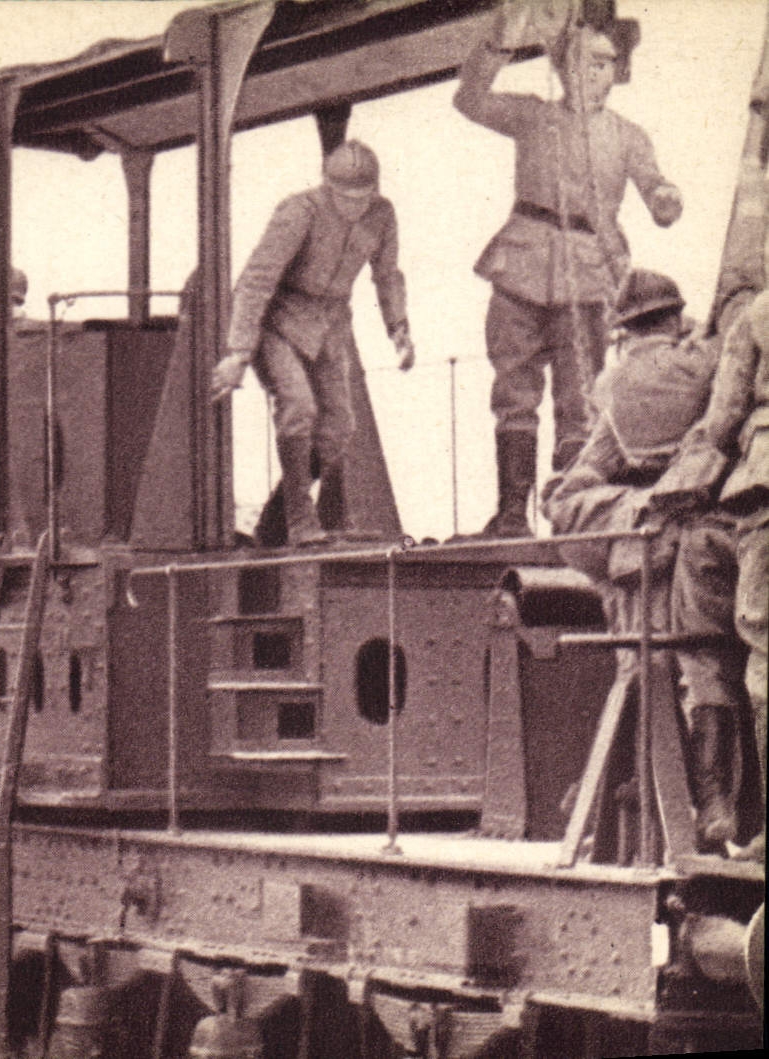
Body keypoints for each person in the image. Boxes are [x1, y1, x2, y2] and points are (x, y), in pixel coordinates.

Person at [456, 8, 683, 536]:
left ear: (616, 72)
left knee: (579, 400)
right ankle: (512, 514)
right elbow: (469, 100)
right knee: (513, 391)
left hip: (587, 274)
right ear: (561, 68)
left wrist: (665, 199)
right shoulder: (532, 116)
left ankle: (572, 519)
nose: (594, 74)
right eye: (583, 63)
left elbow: (655, 186)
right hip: (521, 266)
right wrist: (501, 42)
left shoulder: (628, 137)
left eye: (605, 65)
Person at [543, 271, 747, 855]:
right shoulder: (703, 362)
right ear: (675, 318)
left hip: (645, 550)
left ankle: (664, 794)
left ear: (625, 330)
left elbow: (570, 500)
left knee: (650, 665)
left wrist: (635, 510)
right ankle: (712, 801)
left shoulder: (619, 382)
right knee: (702, 664)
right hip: (708, 539)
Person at [211, 140, 415, 545]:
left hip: (330, 324)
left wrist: (398, 327)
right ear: (327, 186)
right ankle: (301, 522)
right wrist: (238, 353)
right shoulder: (299, 212)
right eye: (345, 198)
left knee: (339, 428)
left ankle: (273, 524)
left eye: (363, 197)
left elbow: (387, 273)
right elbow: (256, 280)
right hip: (279, 320)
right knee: (298, 407)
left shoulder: (382, 215)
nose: (355, 207)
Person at [654, 285, 769, 861]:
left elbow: (722, 418)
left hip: (758, 495)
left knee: (750, 656)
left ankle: (721, 803)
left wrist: (674, 486)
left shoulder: (758, 313)